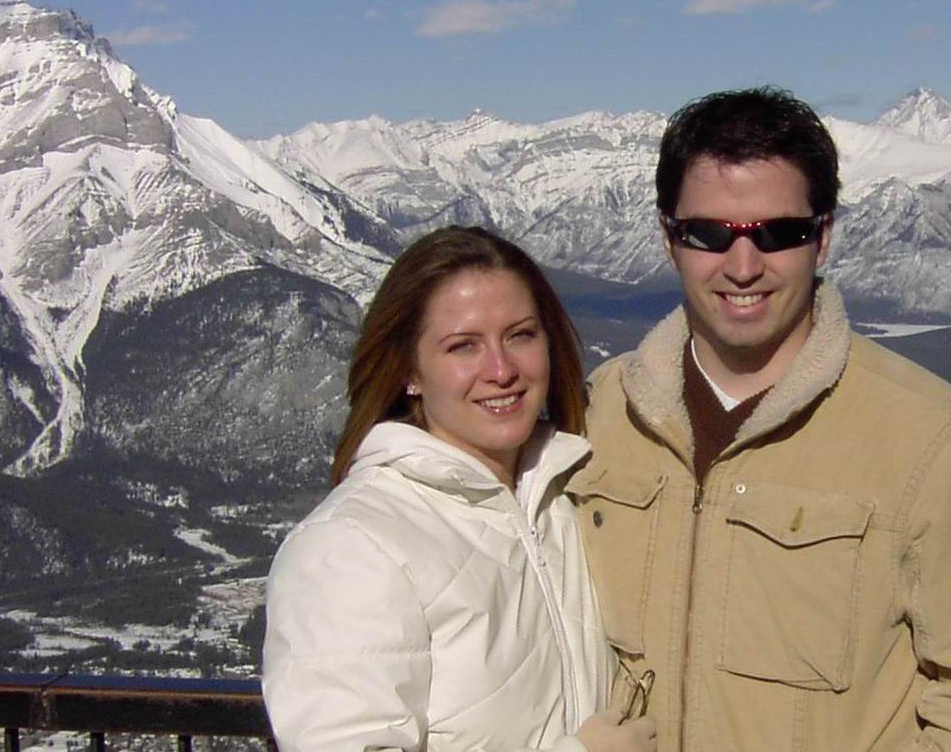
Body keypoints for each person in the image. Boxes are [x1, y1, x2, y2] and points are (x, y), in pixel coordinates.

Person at [567, 88, 951, 751]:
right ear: (670, 239)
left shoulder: (938, 442)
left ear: (823, 236)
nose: (743, 265)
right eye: (711, 233)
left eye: (778, 233)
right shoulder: (597, 415)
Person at [263, 226, 656, 752]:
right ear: (410, 371)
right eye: (462, 346)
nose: (501, 370)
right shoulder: (350, 547)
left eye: (520, 335)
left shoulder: (572, 495)